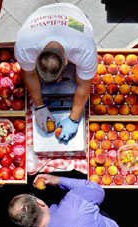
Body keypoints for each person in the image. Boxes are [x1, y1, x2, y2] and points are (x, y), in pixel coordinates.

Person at [15, 3, 97, 141]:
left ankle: (83, 18)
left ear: (66, 62)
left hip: (72, 17)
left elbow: (84, 86)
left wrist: (74, 119)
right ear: (35, 59)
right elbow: (28, 74)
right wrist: (39, 105)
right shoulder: (24, 47)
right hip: (38, 17)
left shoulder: (85, 50)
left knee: (83, 26)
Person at [8, 174, 122, 227]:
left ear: (26, 225)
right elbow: (97, 190)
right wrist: (58, 180)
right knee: (92, 202)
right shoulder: (74, 199)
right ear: (40, 202)